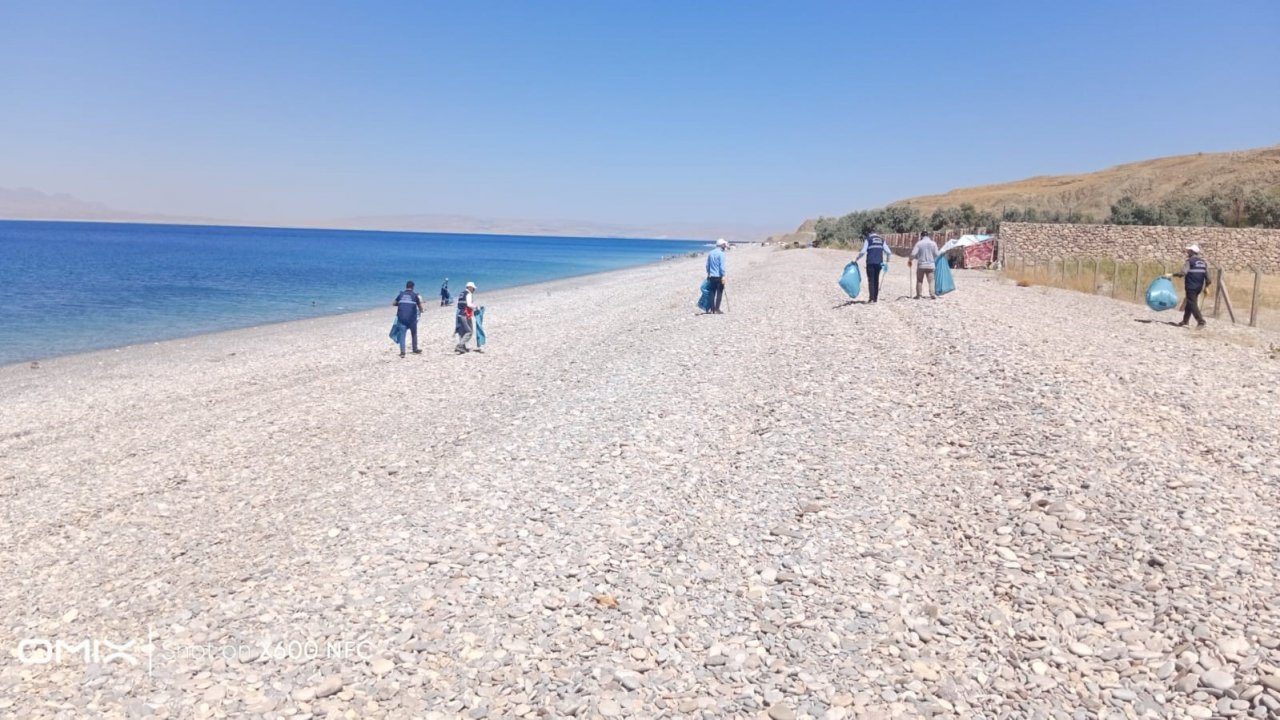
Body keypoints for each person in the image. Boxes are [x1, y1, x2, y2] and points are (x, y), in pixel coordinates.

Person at [1163, 244, 1211, 328]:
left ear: (1192, 252)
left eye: (1188, 250)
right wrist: (1206, 287)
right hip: (1199, 287)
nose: (1187, 252)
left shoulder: (1189, 261)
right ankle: (1185, 320)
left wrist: (1171, 274)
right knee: (1190, 302)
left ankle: (1201, 321)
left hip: (1191, 286)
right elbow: (1208, 278)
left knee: (1192, 303)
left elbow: (1183, 273)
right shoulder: (1203, 263)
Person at [392, 281, 425, 357]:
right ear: (413, 287)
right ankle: (415, 349)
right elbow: (420, 307)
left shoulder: (401, 294)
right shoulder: (415, 295)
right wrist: (421, 310)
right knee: (414, 333)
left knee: (402, 335)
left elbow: (393, 303)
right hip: (411, 319)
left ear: (406, 286)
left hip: (402, 318)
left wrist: (401, 304)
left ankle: (402, 352)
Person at [854, 233, 890, 302]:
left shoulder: (868, 239)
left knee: (871, 280)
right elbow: (888, 252)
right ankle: (875, 299)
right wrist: (888, 260)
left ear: (869, 234)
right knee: (876, 280)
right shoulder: (882, 240)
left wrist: (857, 258)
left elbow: (863, 251)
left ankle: (871, 299)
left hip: (870, 262)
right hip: (879, 263)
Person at [908, 234, 940, 299]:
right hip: (931, 265)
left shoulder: (919, 243)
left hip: (921, 265)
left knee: (919, 280)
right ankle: (932, 294)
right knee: (931, 280)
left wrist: (910, 259)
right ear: (928, 236)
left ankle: (919, 295)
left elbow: (913, 254)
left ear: (921, 236)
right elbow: (937, 254)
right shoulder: (933, 243)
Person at [455, 281, 479, 353]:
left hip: (458, 314)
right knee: (469, 331)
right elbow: (469, 304)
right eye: (473, 288)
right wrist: (476, 307)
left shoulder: (461, 293)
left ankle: (463, 347)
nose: (474, 290)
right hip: (464, 314)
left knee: (461, 331)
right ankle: (460, 345)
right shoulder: (469, 294)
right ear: (470, 288)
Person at [705, 238, 728, 314]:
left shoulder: (711, 253)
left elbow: (707, 265)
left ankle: (712, 309)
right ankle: (717, 309)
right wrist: (723, 275)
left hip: (711, 276)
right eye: (724, 244)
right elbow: (722, 266)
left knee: (712, 292)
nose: (725, 246)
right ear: (721, 245)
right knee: (719, 292)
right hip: (719, 276)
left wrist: (708, 273)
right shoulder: (721, 254)